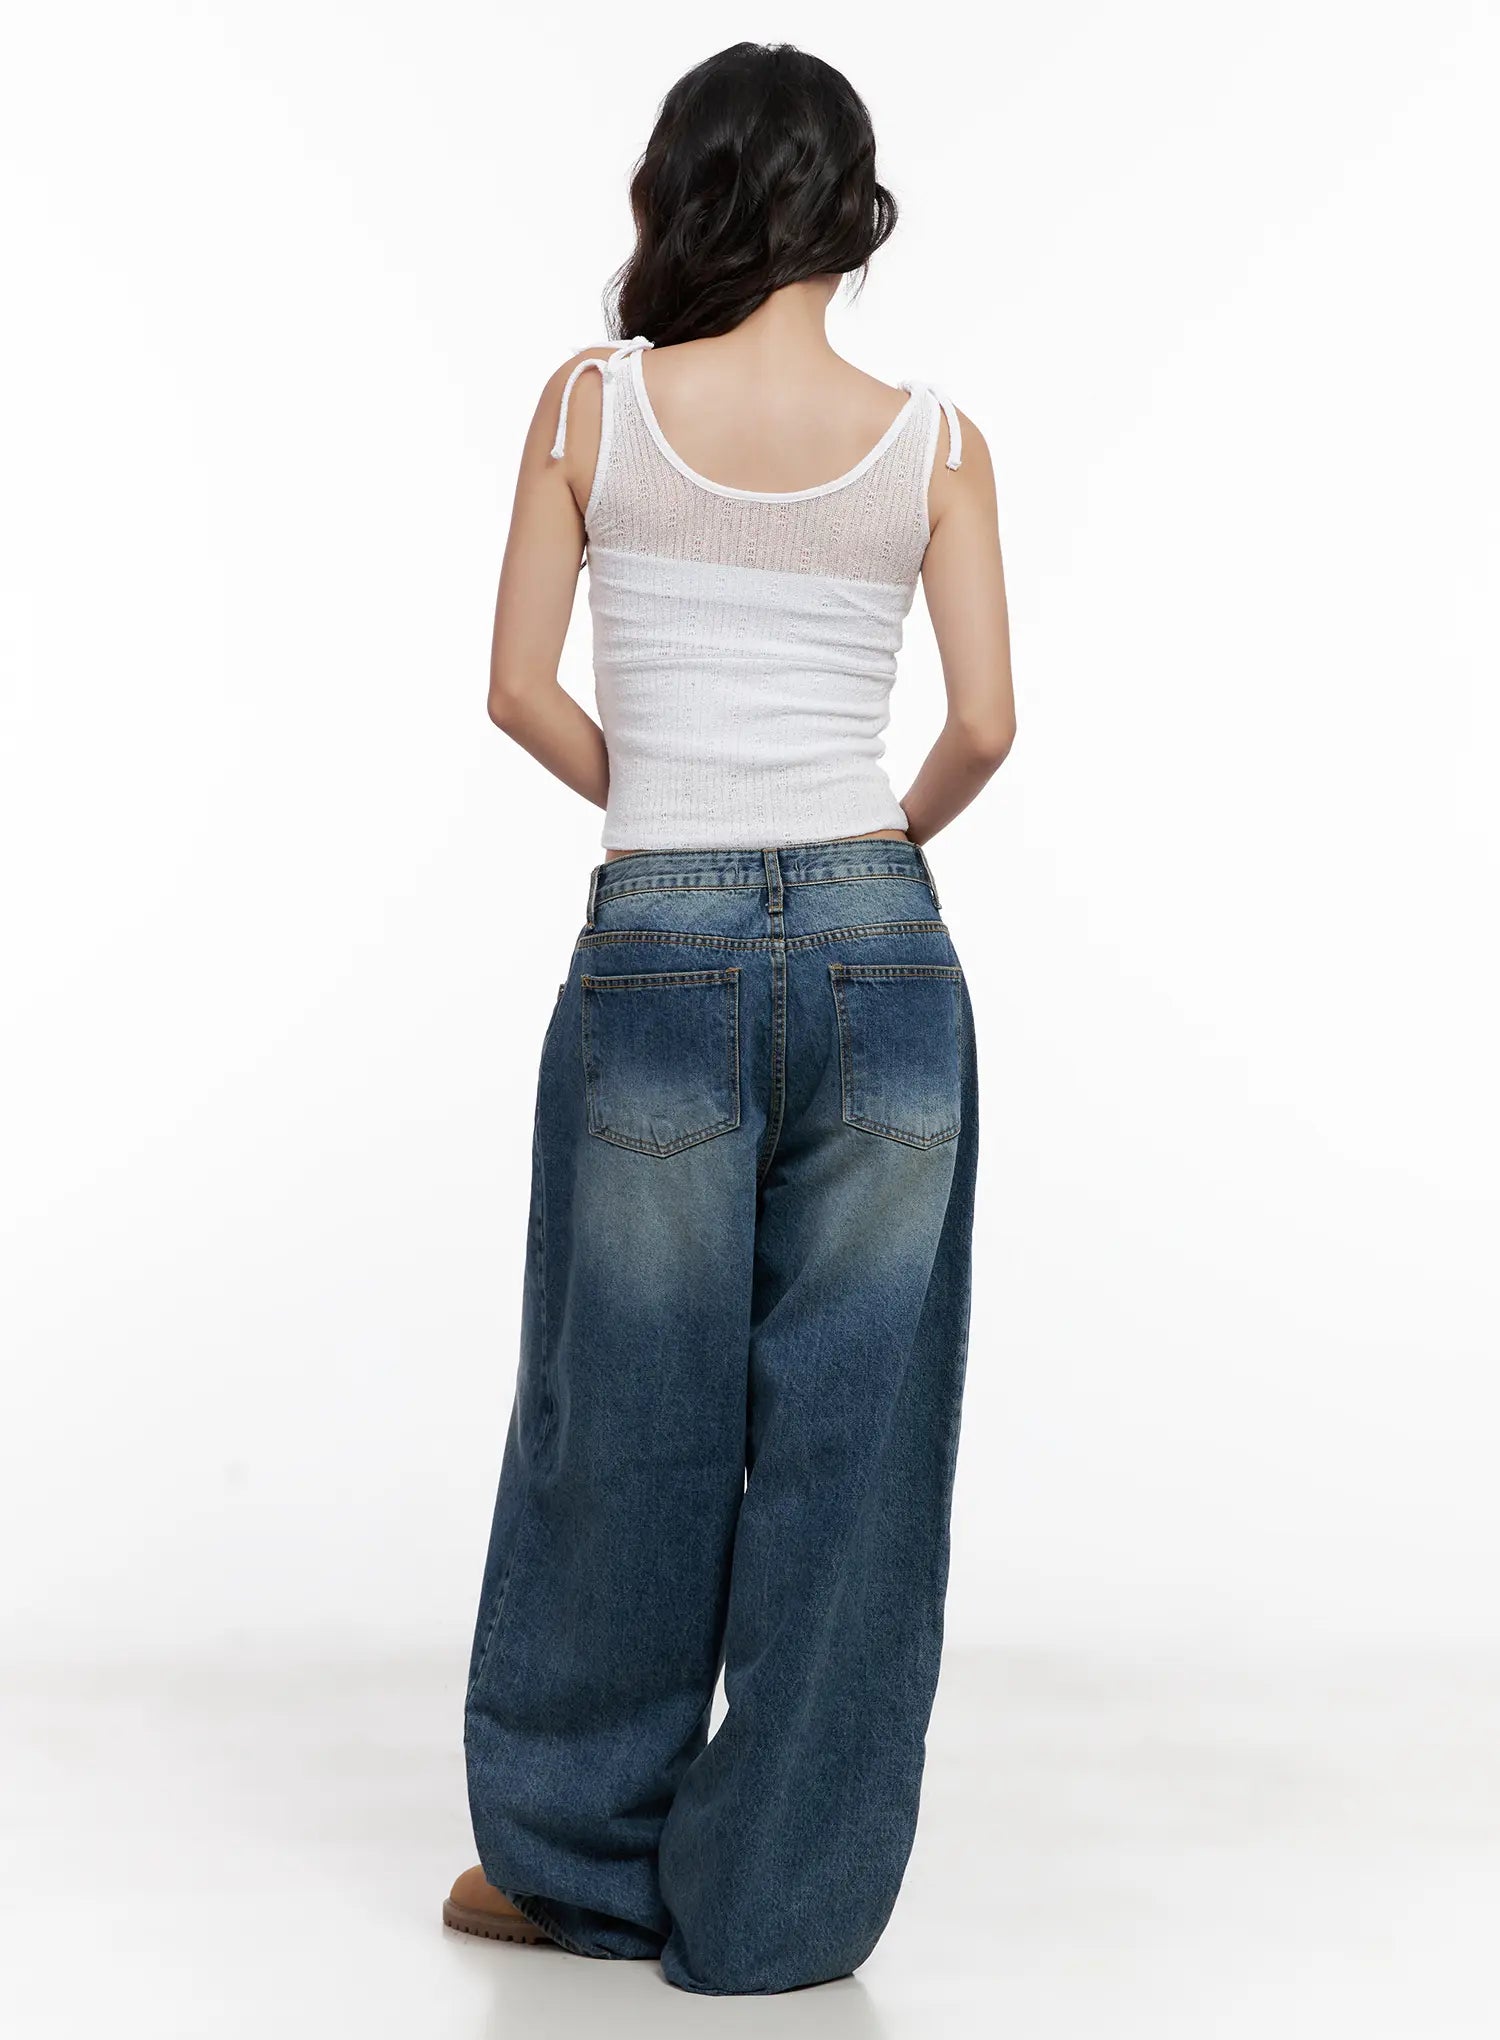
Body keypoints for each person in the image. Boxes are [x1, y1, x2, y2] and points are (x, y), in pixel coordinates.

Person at [445, 40, 1015, 1997]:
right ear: (853, 210)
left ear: (680, 191)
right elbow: (987, 725)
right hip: (888, 950)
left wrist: (672, 809)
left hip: (664, 948)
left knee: (627, 1415)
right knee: (856, 1446)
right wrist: (869, 847)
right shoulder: (940, 441)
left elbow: (516, 690)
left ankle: (582, 1869)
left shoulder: (589, 407)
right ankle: (776, 1912)